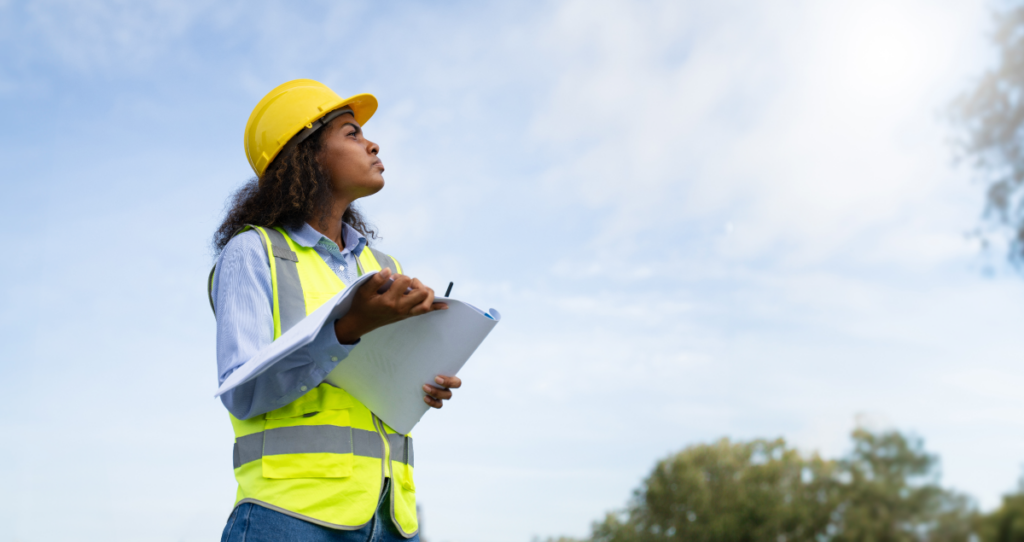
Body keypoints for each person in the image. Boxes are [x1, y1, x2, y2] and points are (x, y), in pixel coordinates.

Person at [209, 79, 460, 541]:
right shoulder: (252, 252)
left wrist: (419, 382)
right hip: (287, 516)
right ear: (307, 155)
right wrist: (347, 329)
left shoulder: (384, 267)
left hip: (389, 520)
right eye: (351, 133)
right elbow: (241, 393)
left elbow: (374, 385)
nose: (373, 143)